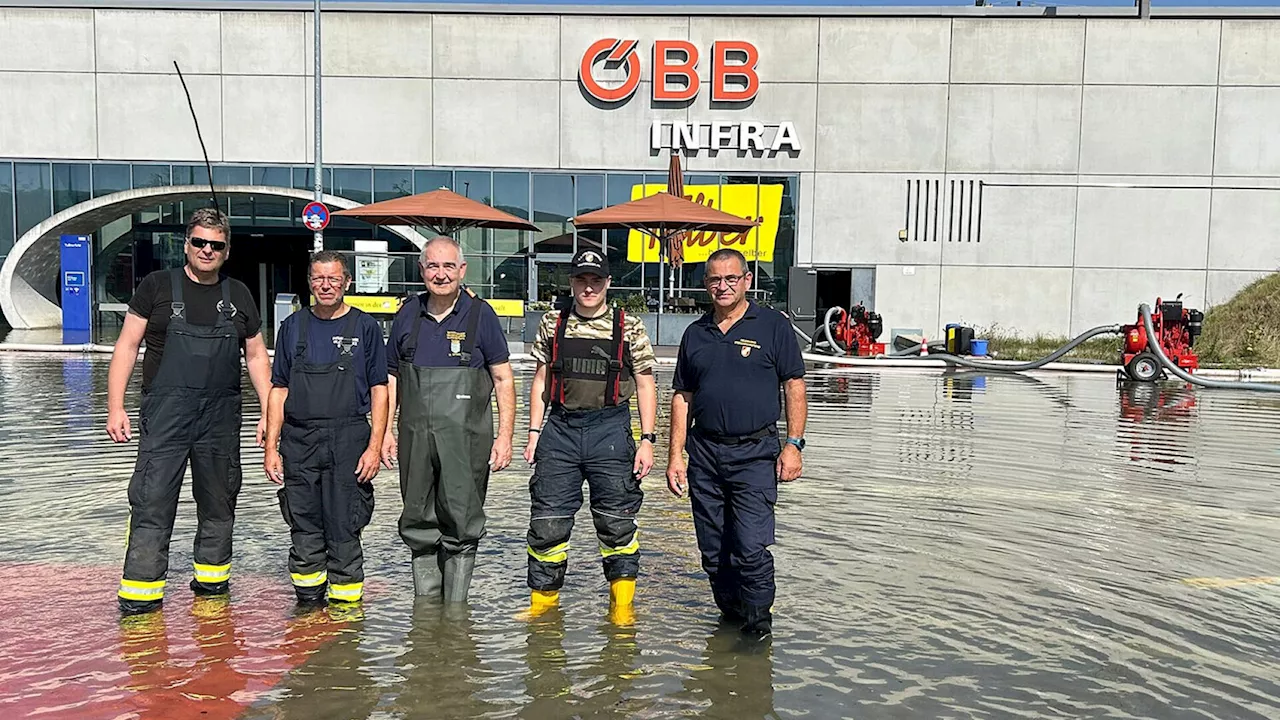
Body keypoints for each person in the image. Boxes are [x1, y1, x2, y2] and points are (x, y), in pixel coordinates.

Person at [107, 207, 272, 615]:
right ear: (186, 244)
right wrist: (115, 406)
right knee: (152, 501)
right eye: (199, 242)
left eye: (215, 245)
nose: (206, 250)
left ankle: (212, 592)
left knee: (219, 501)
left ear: (226, 250)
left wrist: (270, 413)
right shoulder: (157, 287)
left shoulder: (239, 296)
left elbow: (255, 356)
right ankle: (140, 599)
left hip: (219, 420)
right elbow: (127, 346)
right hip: (165, 416)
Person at [665, 248, 807, 642]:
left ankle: (758, 630)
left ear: (746, 281)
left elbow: (794, 383)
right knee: (713, 552)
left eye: (731, 278)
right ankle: (730, 620)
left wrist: (793, 444)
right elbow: (683, 396)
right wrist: (675, 455)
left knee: (750, 547)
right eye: (714, 279)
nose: (722, 286)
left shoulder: (772, 326)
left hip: (755, 454)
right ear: (705, 283)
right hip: (705, 455)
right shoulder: (696, 334)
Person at [520, 248, 657, 623]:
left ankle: (622, 611)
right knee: (548, 522)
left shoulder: (628, 326)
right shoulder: (553, 322)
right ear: (572, 283)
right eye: (582, 279)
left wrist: (647, 439)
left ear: (608, 283)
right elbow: (540, 382)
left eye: (596, 280)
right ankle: (542, 611)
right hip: (559, 431)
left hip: (610, 431)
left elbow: (645, 384)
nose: (588, 287)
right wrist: (533, 432)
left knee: (617, 522)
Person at [381, 236, 516, 603]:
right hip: (414, 437)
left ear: (462, 271)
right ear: (421, 270)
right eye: (433, 266)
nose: (440, 275)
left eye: (448, 267)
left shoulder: (480, 315)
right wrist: (385, 433)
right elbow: (391, 377)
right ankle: (426, 613)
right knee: (417, 515)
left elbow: (503, 377)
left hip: (466, 439)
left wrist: (505, 437)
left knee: (461, 515)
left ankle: (455, 613)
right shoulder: (407, 312)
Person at [263, 251, 389, 606]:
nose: (326, 285)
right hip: (299, 441)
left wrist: (374, 446)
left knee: (345, 526)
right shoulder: (292, 327)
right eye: (319, 278)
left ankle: (347, 621)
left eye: (333, 278)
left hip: (349, 439)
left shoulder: (364, 327)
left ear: (347, 282)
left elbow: (381, 389)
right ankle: (306, 609)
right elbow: (279, 389)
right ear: (309, 282)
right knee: (303, 525)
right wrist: (272, 446)